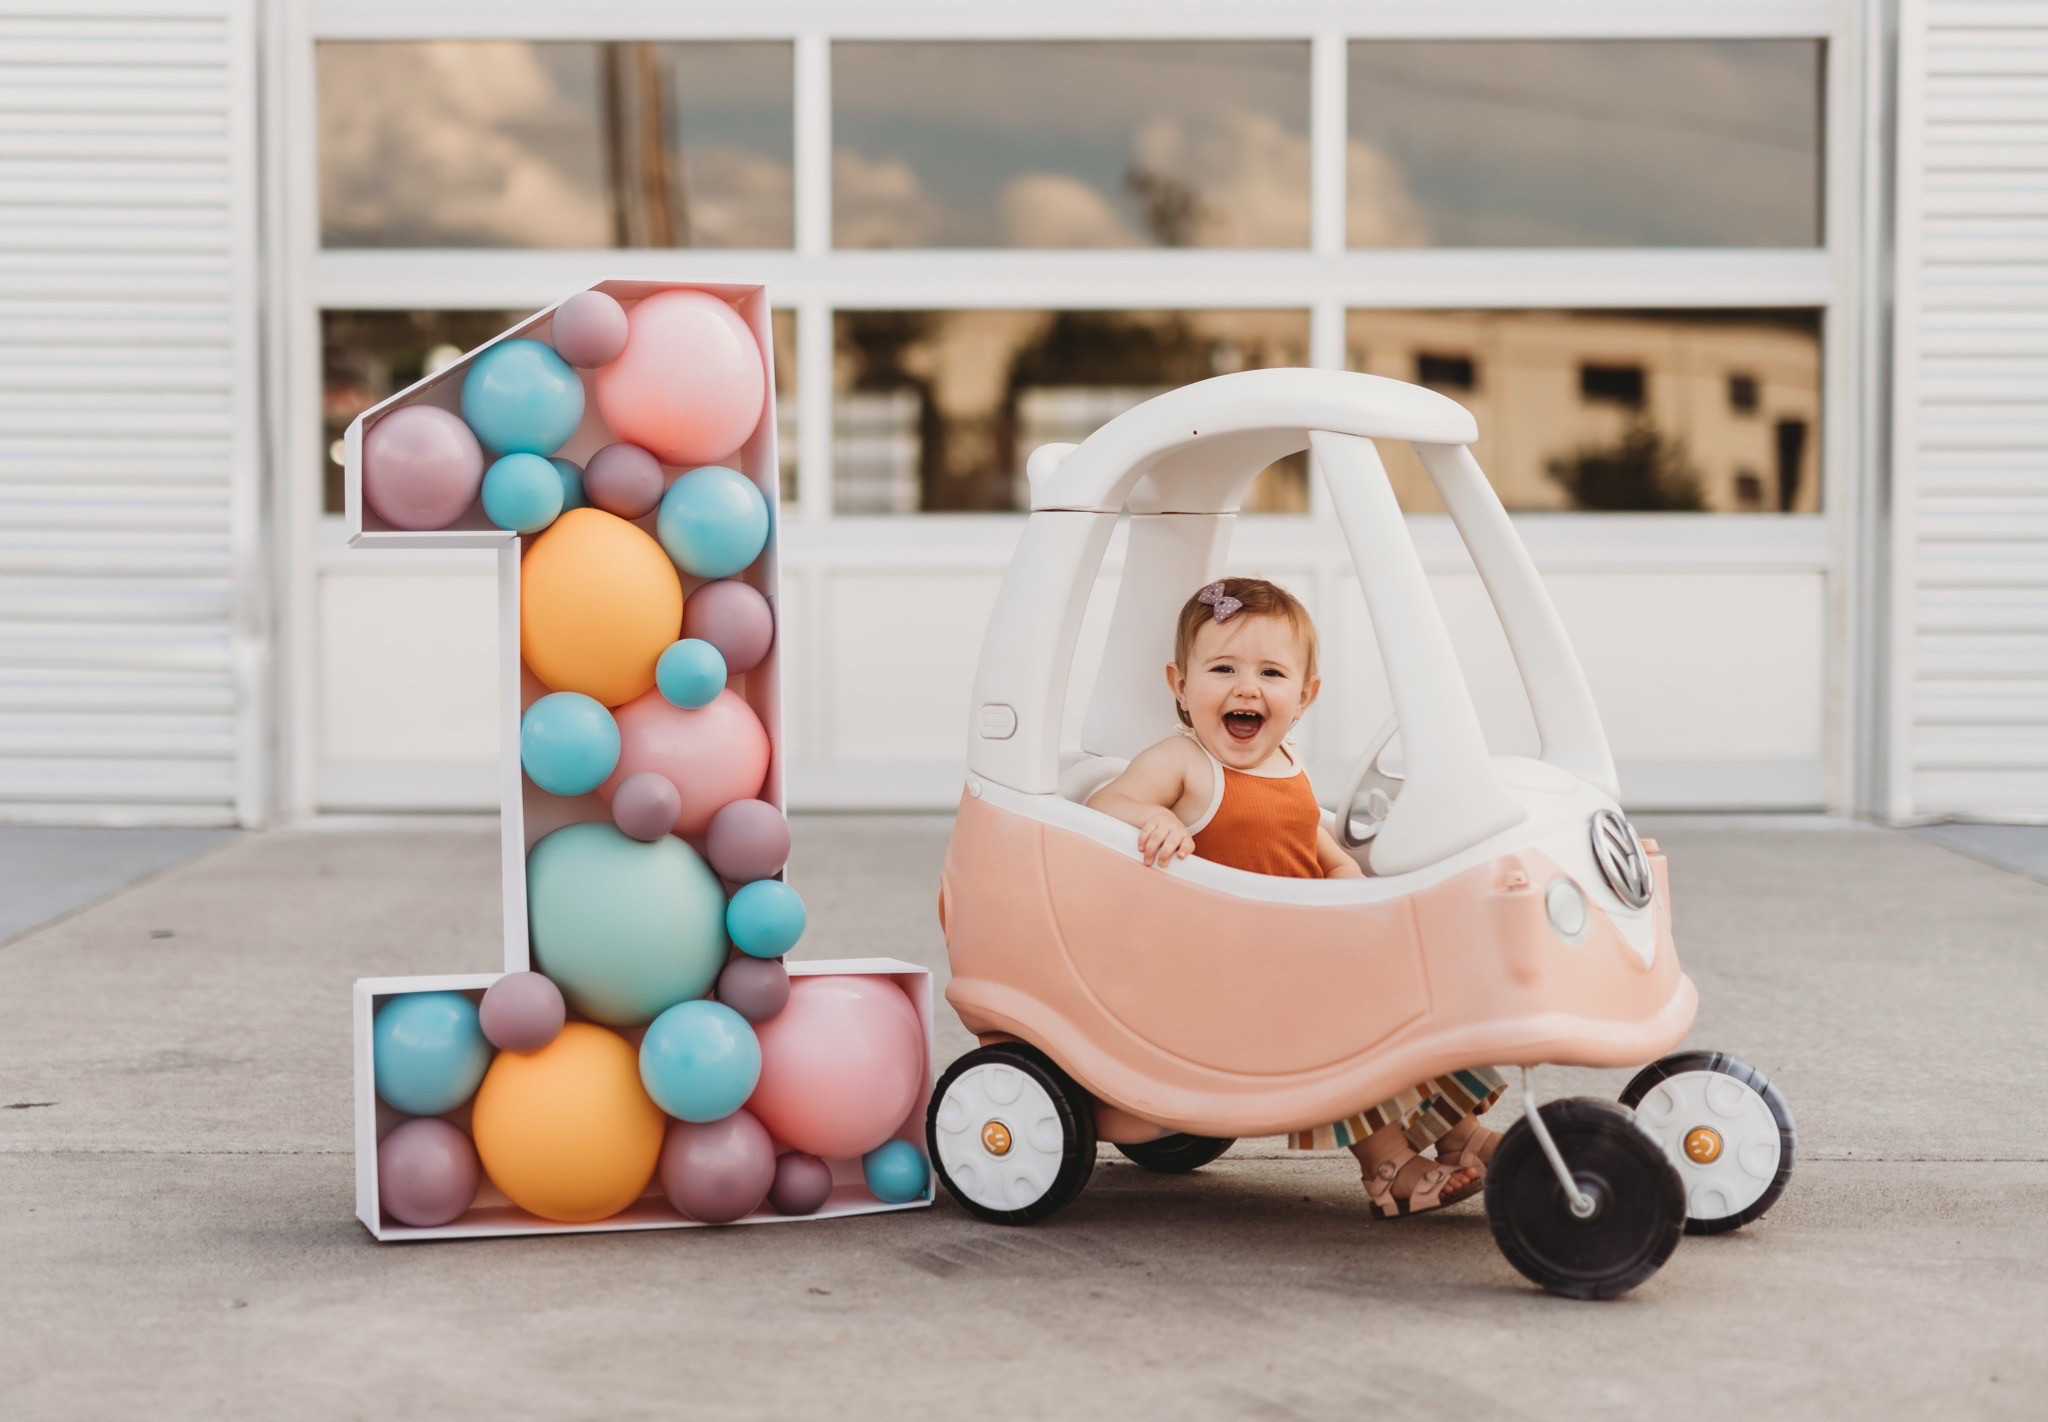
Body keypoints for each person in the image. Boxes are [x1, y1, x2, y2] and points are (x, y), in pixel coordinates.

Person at [1086, 576, 1504, 1217]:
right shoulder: (1184, 762)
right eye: (1222, 668)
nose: (1246, 688)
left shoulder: (1288, 762)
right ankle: (1387, 1165)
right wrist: (1151, 817)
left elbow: (1313, 836)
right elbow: (1102, 804)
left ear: (1305, 695)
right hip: (1235, 973)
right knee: (1347, 1030)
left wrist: (1342, 874)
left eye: (1271, 673)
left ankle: (1458, 1134)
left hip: (1298, 947)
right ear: (1179, 685)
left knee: (1411, 999)